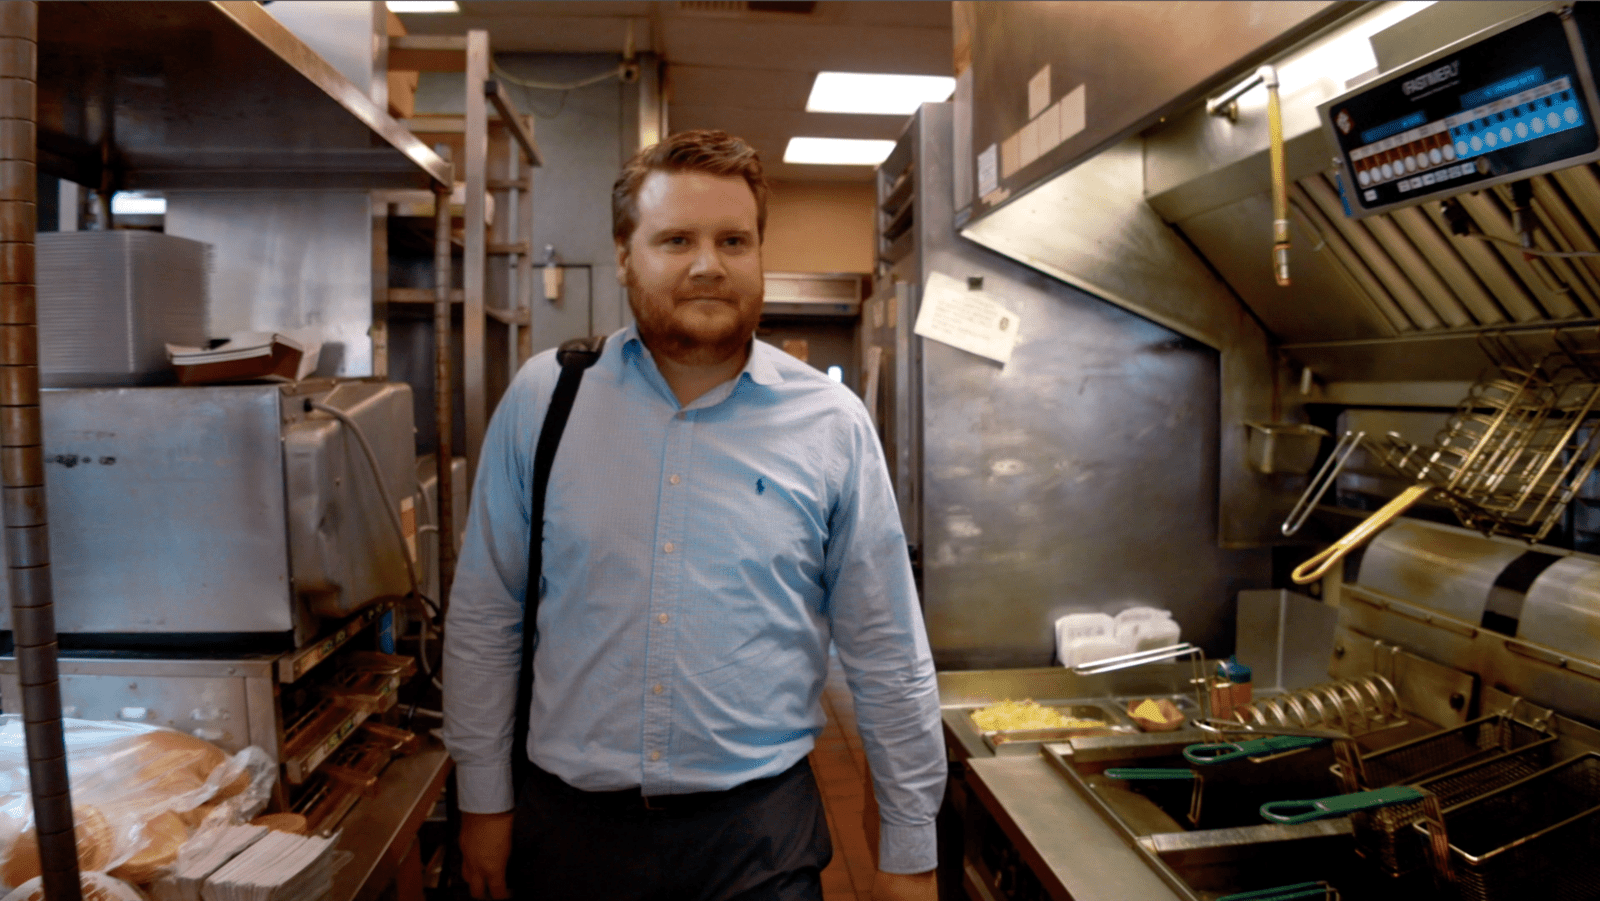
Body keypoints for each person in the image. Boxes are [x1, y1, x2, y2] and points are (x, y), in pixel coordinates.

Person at [442, 129, 944, 901]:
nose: (708, 263)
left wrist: (908, 848)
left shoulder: (831, 424)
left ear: (758, 254)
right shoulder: (545, 401)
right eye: (676, 238)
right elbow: (485, 616)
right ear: (623, 255)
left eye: (733, 240)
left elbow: (886, 652)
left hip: (757, 843)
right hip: (568, 838)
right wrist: (482, 800)